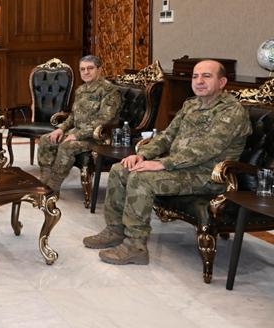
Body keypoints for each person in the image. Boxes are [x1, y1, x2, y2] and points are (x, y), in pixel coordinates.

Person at [83, 60, 251, 265]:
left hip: (207, 175)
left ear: (222, 82)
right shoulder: (191, 105)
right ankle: (115, 230)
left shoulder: (232, 111)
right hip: (181, 169)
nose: (199, 81)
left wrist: (164, 163)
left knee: (141, 178)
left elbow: (205, 149)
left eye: (206, 76)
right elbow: (167, 136)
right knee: (121, 168)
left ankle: (135, 246)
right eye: (195, 76)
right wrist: (143, 155)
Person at [37, 55, 121, 192]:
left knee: (67, 146)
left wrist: (77, 135)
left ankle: (52, 187)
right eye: (82, 69)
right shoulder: (81, 90)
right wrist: (61, 129)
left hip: (98, 137)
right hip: (78, 133)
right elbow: (73, 116)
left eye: (90, 68)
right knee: (46, 139)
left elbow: (104, 120)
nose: (86, 72)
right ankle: (43, 181)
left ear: (99, 69)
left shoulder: (109, 91)